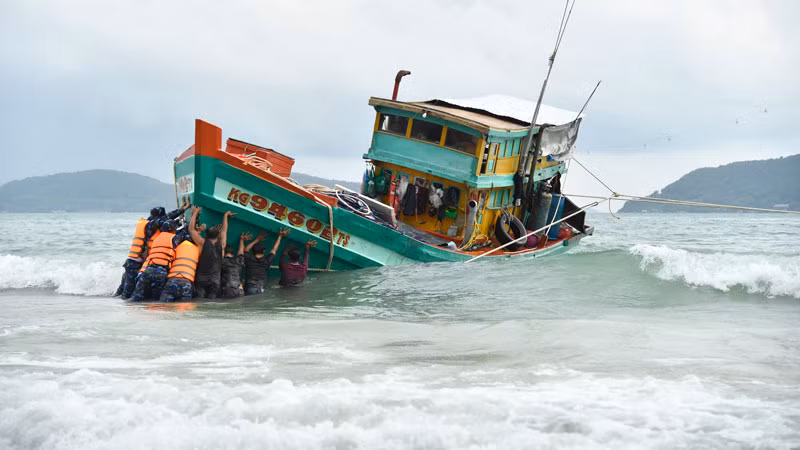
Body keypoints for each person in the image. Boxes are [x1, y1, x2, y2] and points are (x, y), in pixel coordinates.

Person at [190, 207, 233, 299]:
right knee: (211, 302)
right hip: (215, 282)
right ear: (218, 235)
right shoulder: (222, 245)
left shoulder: (202, 243)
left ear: (206, 235)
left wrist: (195, 213)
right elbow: (225, 230)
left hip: (201, 280)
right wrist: (225, 216)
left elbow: (191, 230)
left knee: (200, 301)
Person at [132, 220, 178, 301]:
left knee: (137, 296)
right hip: (161, 272)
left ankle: (132, 310)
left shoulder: (156, 238)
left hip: (149, 270)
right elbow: (185, 234)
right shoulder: (174, 238)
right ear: (173, 230)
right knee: (156, 299)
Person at [158, 228, 200, 303]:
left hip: (172, 280)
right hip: (186, 282)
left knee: (163, 305)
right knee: (183, 308)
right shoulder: (197, 249)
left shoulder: (177, 247)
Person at [243, 228, 289, 295]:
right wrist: (280, 236)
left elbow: (246, 249)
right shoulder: (267, 261)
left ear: (252, 252)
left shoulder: (249, 259)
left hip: (249, 288)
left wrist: (257, 240)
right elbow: (274, 249)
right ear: (264, 251)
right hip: (260, 288)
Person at [220, 233, 251, 298]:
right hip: (239, 289)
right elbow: (241, 251)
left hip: (227, 289)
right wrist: (241, 240)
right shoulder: (239, 260)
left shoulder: (222, 261)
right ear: (233, 254)